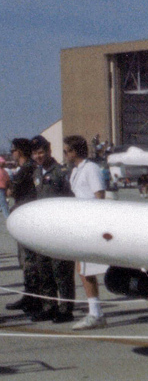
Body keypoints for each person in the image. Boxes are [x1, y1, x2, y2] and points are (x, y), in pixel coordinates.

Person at [63, 135, 108, 330]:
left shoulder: (91, 169)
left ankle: (96, 313)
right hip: (79, 223)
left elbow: (99, 195)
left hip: (89, 224)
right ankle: (94, 310)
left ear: (74, 152)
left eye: (66, 151)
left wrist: (94, 224)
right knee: (82, 269)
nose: (64, 155)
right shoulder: (75, 171)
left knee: (86, 270)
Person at [31, 135, 76, 322]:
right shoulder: (37, 173)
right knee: (44, 269)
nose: (38, 156)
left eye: (41, 152)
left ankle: (66, 309)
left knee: (61, 270)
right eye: (35, 153)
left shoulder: (61, 172)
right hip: (42, 229)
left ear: (49, 151)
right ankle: (49, 305)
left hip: (59, 227)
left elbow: (72, 197)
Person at [7, 138, 41, 316]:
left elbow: (12, 189)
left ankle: (35, 298)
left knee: (29, 260)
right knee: (25, 260)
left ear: (19, 151)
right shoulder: (25, 168)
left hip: (28, 218)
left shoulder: (28, 168)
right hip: (22, 216)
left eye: (13, 150)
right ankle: (29, 296)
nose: (12, 153)